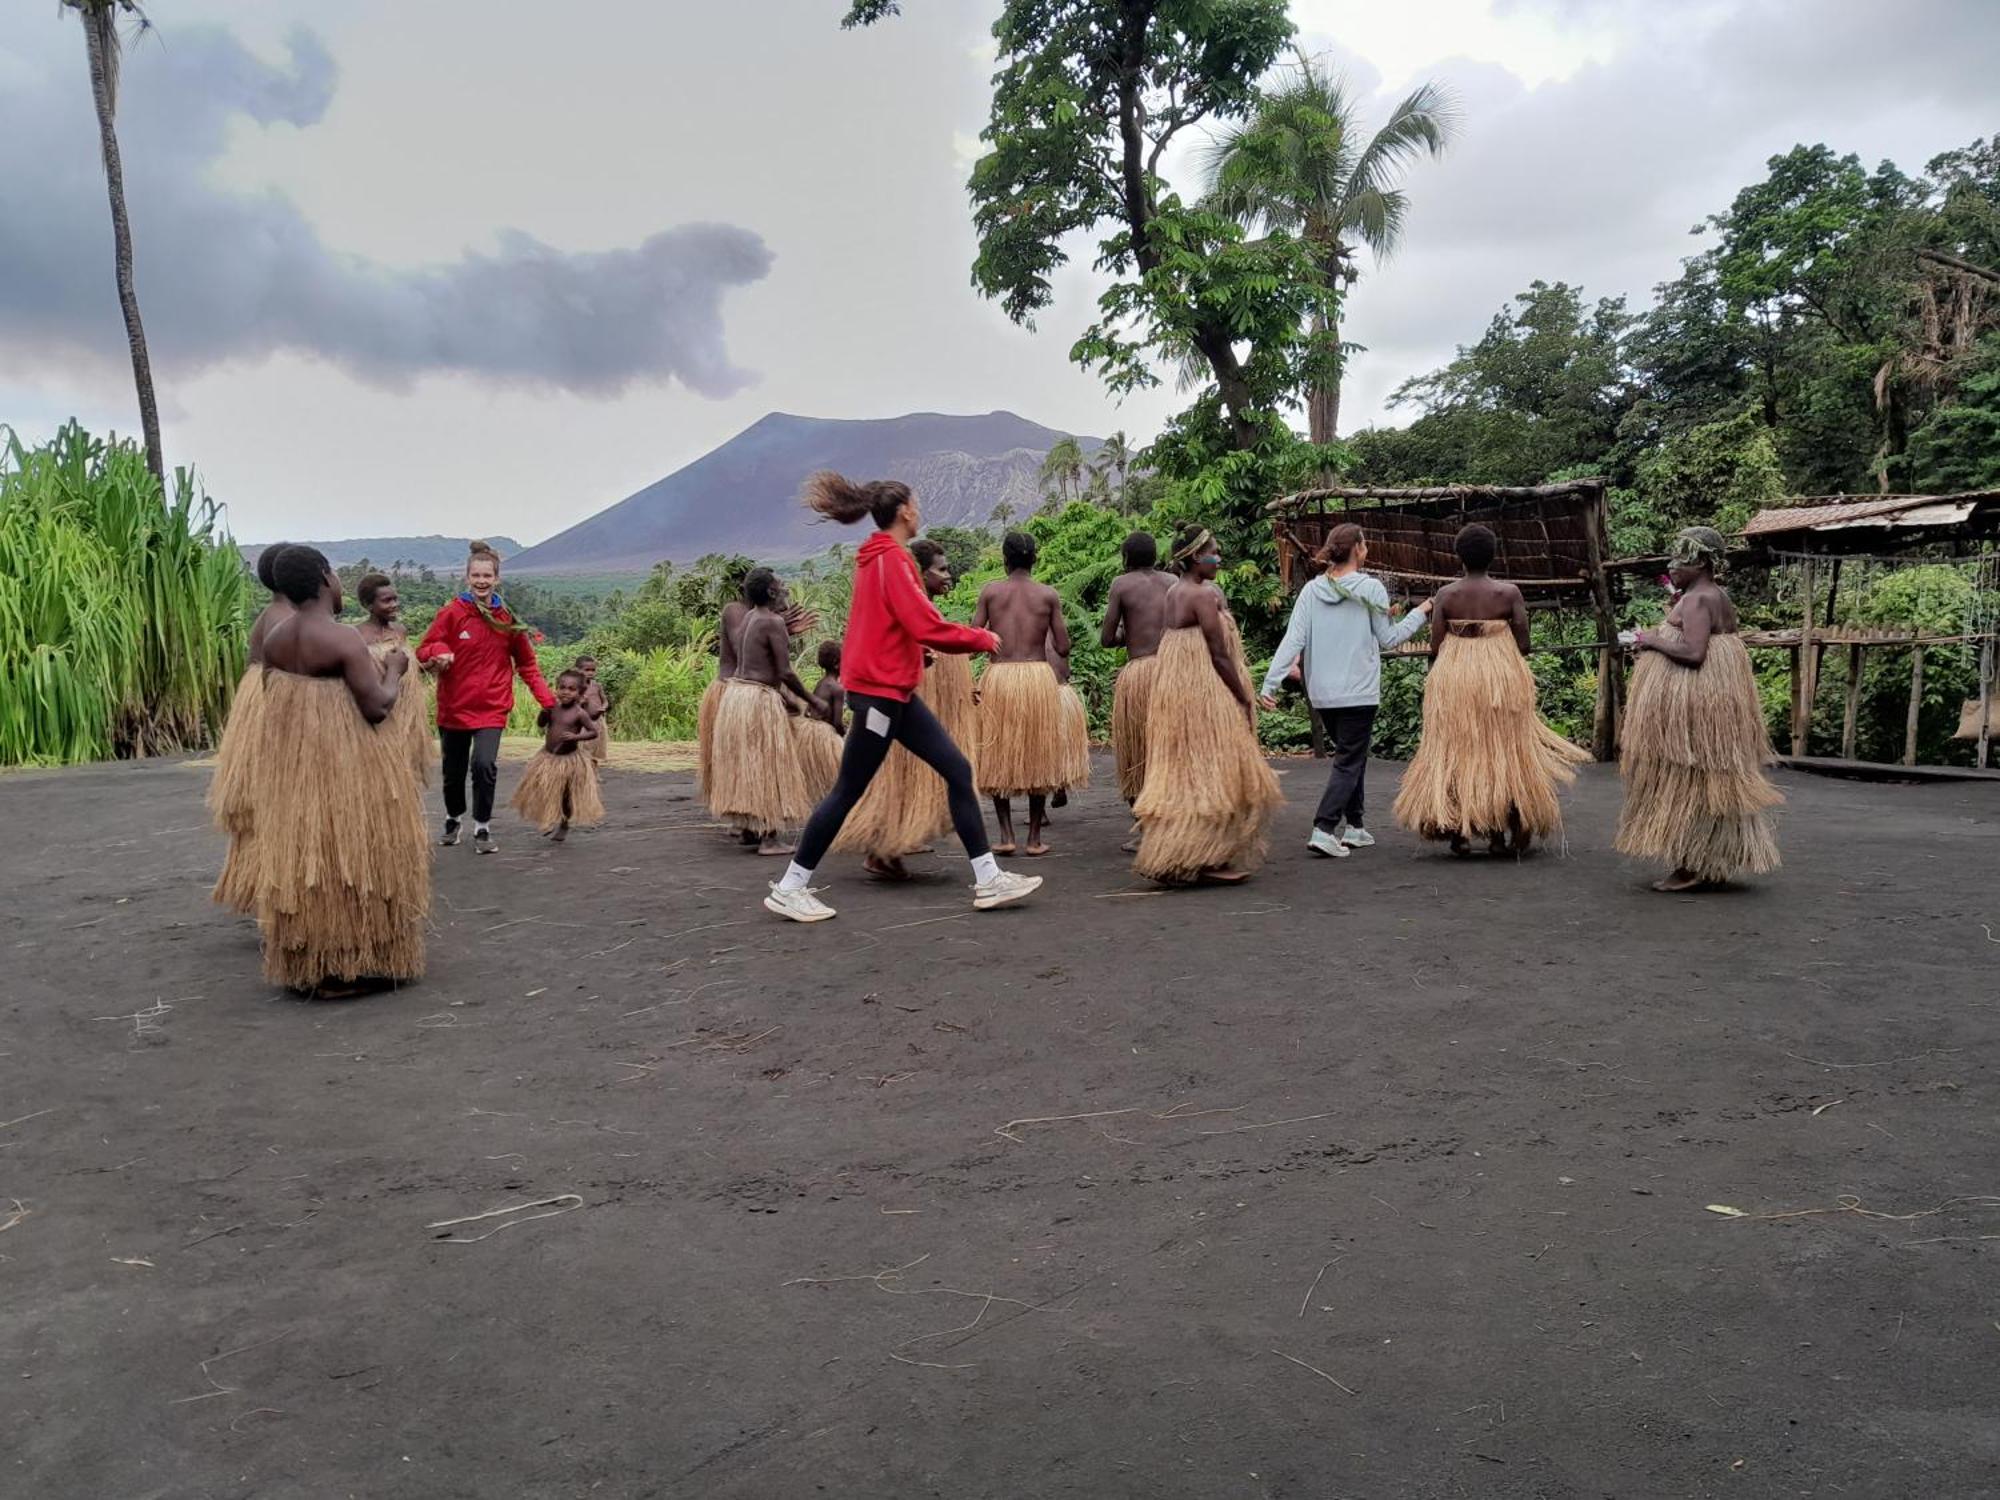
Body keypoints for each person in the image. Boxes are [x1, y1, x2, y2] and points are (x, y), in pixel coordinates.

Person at [765, 472, 1042, 922]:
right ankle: (793, 885)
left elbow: (895, 626)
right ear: (905, 511)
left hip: (892, 692)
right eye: (916, 503)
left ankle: (988, 878)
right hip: (878, 698)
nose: (920, 509)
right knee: (848, 790)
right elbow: (924, 624)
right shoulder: (890, 559)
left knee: (957, 769)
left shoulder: (877, 557)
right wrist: (980, 638)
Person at [249, 547, 428, 996]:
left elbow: (279, 703)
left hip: (298, 769)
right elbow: (376, 707)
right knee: (353, 853)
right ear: (326, 579)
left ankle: (311, 961)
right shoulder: (342, 637)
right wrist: (394, 669)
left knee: (313, 855)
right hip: (346, 769)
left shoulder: (276, 639)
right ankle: (346, 967)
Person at [1391, 524, 1589, 856]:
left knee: (1456, 752)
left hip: (1455, 679)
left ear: (1459, 557)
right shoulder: (1509, 593)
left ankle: (1460, 834)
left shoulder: (1446, 595)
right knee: (1503, 753)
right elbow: (1524, 642)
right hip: (1500, 676)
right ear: (1493, 555)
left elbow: (1436, 643)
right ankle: (1500, 834)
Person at [1616, 526, 1782, 892]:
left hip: (1698, 700)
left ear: (1703, 562)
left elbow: (1694, 653)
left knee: (1689, 779)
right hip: (1711, 696)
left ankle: (1690, 864)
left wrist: (1650, 639)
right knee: (1705, 781)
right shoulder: (1713, 594)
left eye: (1682, 560)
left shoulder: (1697, 599)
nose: (1673, 567)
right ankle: (1705, 858)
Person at [1259, 523, 1431, 859]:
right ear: (1358, 549)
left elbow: (1294, 639)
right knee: (1349, 761)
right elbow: (1390, 639)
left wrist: (1270, 682)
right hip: (1359, 692)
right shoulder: (1371, 589)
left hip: (1322, 693)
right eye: (1365, 544)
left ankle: (1355, 826)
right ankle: (1324, 828)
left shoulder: (1312, 591)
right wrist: (1421, 613)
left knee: (1351, 757)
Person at [1133, 530, 1283, 884]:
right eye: (1213, 553)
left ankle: (1186, 852)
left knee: (1188, 773)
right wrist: (1243, 697)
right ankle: (1205, 858)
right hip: (1201, 693)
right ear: (1194, 557)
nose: (1219, 558)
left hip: (1177, 691)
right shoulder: (1199, 596)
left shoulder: (1174, 591)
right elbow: (1218, 654)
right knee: (1209, 772)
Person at [832, 538, 968, 880]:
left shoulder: (926, 608)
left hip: (911, 711)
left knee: (939, 775)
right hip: (892, 711)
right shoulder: (908, 608)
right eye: (941, 569)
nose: (948, 575)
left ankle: (897, 842)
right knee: (889, 780)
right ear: (920, 575)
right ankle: (880, 849)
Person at [415, 541, 555, 855]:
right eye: (476, 575)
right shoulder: (452, 613)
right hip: (454, 708)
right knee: (453, 771)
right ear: (467, 578)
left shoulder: (506, 618)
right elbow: (424, 648)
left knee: (483, 765)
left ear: (496, 579)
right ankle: (453, 819)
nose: (481, 581)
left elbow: (527, 664)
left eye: (487, 576)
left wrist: (548, 702)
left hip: (492, 708)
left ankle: (482, 827)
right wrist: (439, 653)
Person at [208, 543, 299, 913]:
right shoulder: (282, 618)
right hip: (268, 703)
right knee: (272, 805)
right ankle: (272, 888)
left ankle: (259, 883)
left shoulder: (275, 612)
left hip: (256, 699)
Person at [973, 531, 1075, 856]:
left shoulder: (990, 592)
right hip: (1036, 679)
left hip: (999, 677)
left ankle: (1005, 836)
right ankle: (1033, 839)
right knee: (1038, 753)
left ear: (1004, 560)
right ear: (1035, 560)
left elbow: (975, 639)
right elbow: (1062, 645)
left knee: (997, 753)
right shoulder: (1048, 595)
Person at [708, 569, 820, 856]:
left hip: (738, 697)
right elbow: (784, 671)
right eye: (780, 585)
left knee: (750, 763)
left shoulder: (748, 618)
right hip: (759, 699)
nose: (785, 589)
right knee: (770, 764)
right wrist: (811, 700)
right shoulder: (772, 622)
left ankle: (749, 830)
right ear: (770, 592)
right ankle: (770, 838)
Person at [1100, 530, 1174, 846]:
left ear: (1126, 558)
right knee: (1170, 747)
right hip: (1173, 671)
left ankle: (1145, 829)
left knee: (1136, 752)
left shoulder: (1122, 584)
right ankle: (1174, 822)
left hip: (1141, 672)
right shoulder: (1173, 582)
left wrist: (1125, 634)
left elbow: (1106, 639)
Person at [356, 572, 433, 789]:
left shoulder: (400, 631)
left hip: (406, 712)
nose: (394, 605)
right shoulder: (358, 636)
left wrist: (430, 666)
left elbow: (407, 669)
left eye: (395, 599)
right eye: (387, 600)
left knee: (406, 773)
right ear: (368, 604)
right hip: (378, 711)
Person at [511, 669, 605, 843]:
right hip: (547, 758)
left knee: (565, 795)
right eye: (562, 687)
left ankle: (564, 822)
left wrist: (576, 737)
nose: (565, 692)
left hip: (569, 761)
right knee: (546, 791)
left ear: (580, 693)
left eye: (571, 689)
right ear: (556, 688)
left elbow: (593, 732)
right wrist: (543, 713)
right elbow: (541, 725)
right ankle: (548, 818)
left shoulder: (579, 713)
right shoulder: (552, 707)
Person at [794, 640, 848, 802]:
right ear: (837, 664)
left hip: (812, 733)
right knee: (836, 779)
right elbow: (837, 722)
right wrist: (843, 735)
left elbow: (810, 710)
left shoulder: (821, 683)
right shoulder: (837, 689)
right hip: (825, 734)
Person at [576, 654, 610, 768]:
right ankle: (584, 776)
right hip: (585, 723)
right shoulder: (576, 687)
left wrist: (604, 707)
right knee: (584, 751)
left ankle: (594, 774)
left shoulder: (597, 686)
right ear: (578, 670)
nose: (590, 673)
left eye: (593, 670)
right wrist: (581, 702)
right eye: (587, 670)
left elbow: (605, 700)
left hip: (598, 722)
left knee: (596, 751)